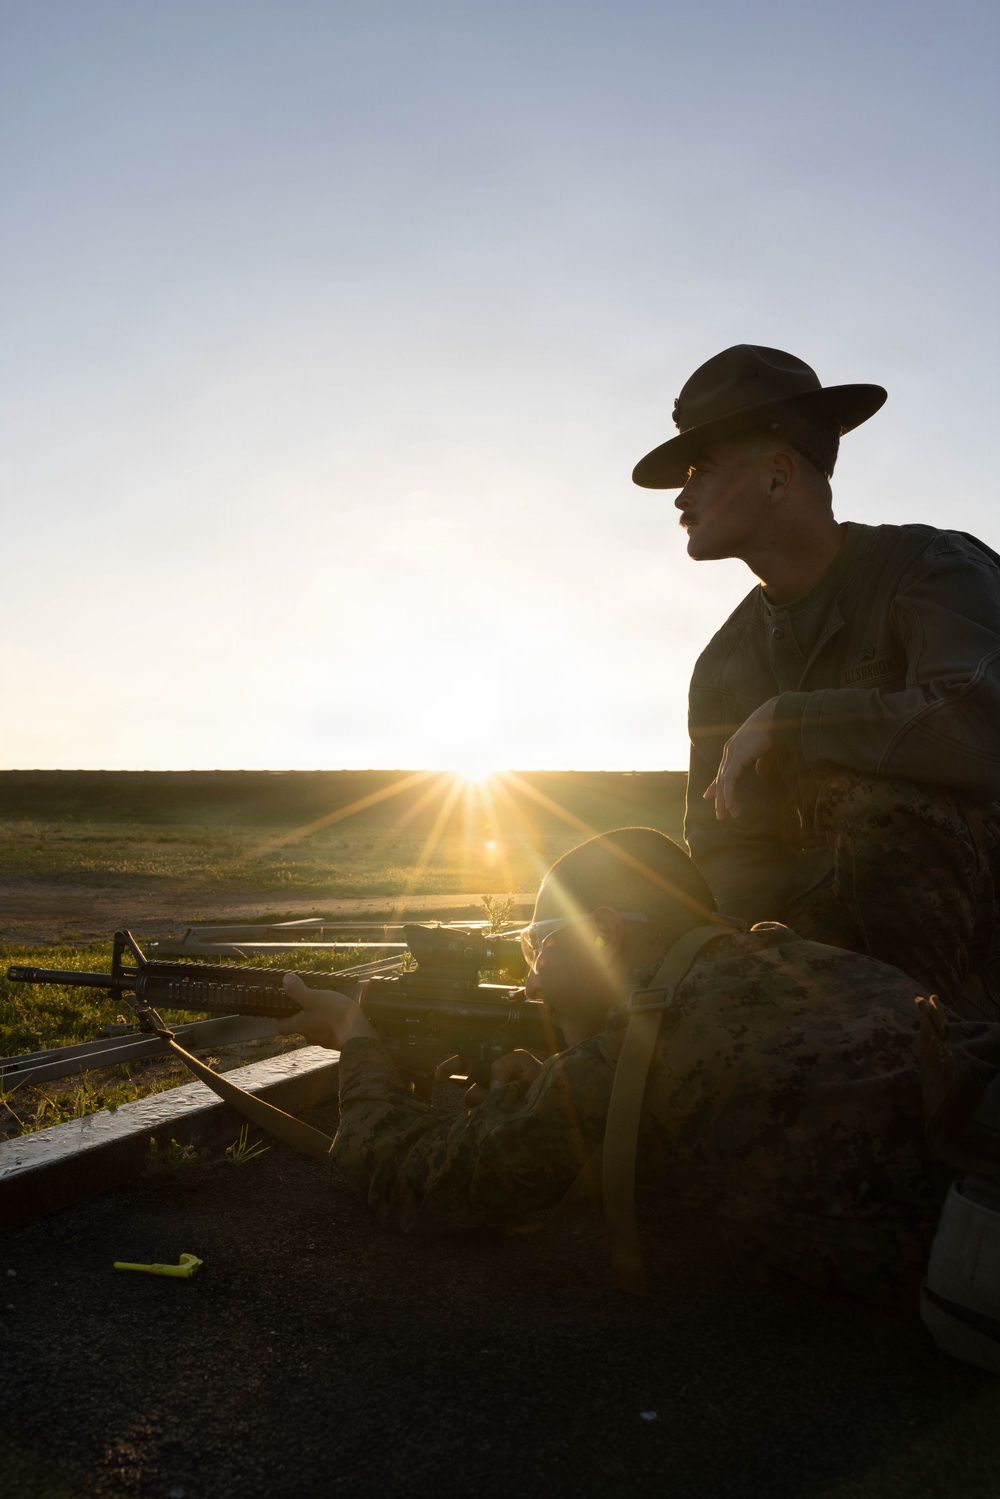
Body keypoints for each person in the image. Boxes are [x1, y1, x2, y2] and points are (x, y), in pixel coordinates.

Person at [275, 826, 1000, 1325]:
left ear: (605, 934)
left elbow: (423, 1180)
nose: (530, 981)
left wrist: (355, 1038)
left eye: (538, 947)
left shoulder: (652, 1045)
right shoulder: (801, 962)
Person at [631, 344, 1000, 1017]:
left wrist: (793, 720)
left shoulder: (930, 571)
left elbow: (980, 729)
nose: (681, 497)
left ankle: (949, 1061)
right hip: (833, 964)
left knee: (874, 803)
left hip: (979, 947)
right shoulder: (724, 665)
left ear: (778, 477)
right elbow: (731, 850)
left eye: (701, 471)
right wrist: (736, 979)